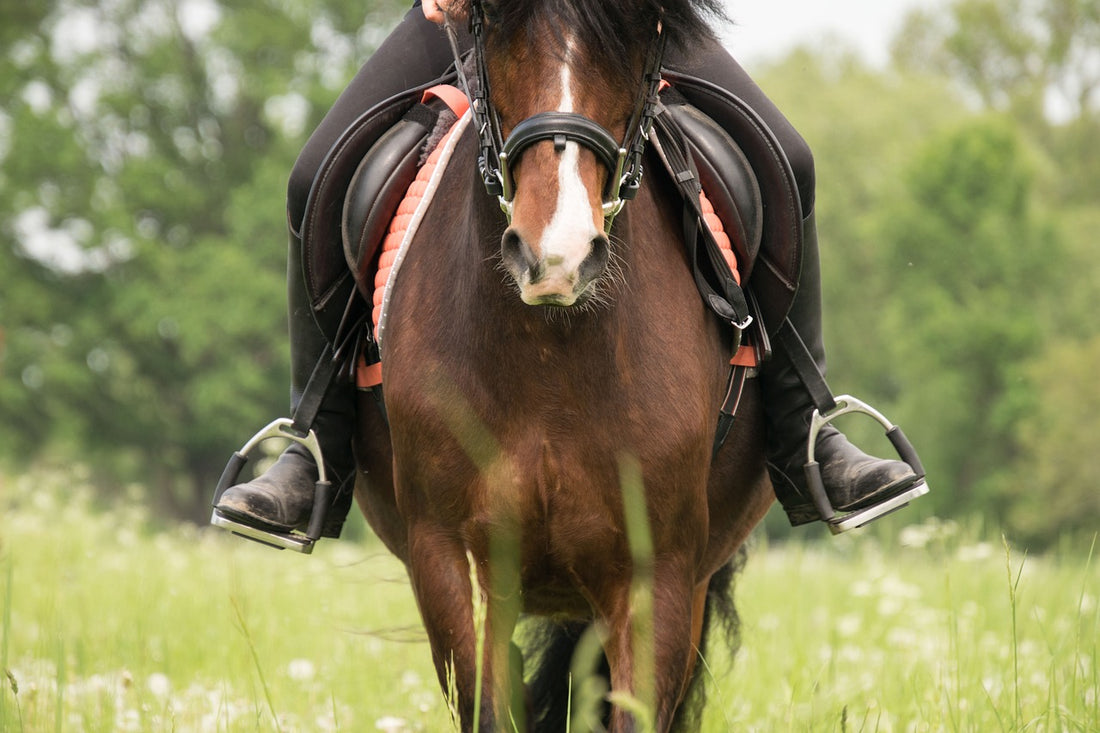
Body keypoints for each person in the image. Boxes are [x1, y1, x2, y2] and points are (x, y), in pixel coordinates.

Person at [214, 0, 926, 540]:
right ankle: (316, 444)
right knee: (314, 176)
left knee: (787, 158)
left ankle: (807, 423)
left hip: (615, 16)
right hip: (476, 13)